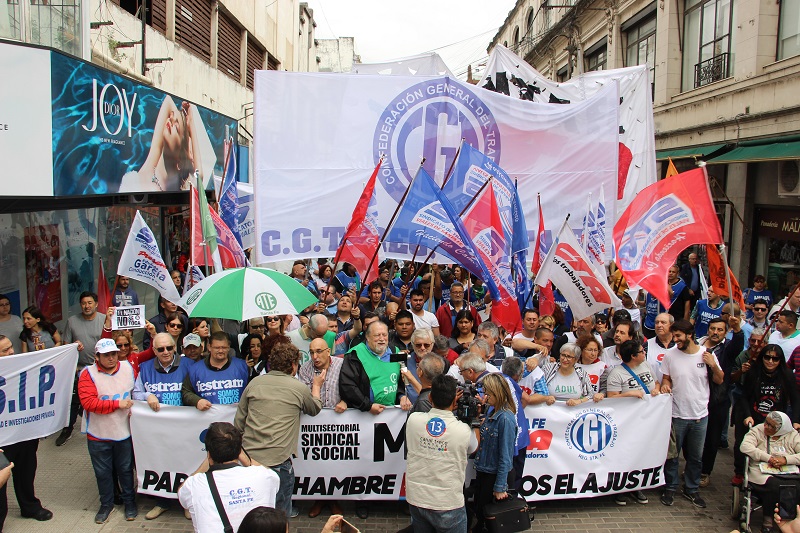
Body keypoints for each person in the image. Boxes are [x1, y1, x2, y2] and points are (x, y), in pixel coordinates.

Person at [235, 343, 324, 519]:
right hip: (279, 463)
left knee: (251, 514)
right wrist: (316, 386)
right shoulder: (298, 387)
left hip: (249, 460)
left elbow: (238, 424)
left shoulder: (254, 383)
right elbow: (314, 408)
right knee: (279, 516)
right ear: (293, 365)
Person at [659, 319, 723, 508]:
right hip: (677, 414)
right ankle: (670, 487)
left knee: (695, 457)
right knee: (672, 456)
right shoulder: (670, 355)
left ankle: (692, 488)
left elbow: (720, 380)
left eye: (678, 336)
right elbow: (666, 378)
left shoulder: (707, 354)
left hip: (700, 416)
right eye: (674, 336)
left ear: (690, 335)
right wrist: (665, 386)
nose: (675, 340)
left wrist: (713, 365)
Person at [177, 422, 280, 533]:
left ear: (209, 454)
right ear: (239, 451)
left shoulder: (194, 485)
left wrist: (209, 458)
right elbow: (272, 475)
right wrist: (245, 459)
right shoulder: (264, 476)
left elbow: (182, 492)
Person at [132, 332, 192, 520]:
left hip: (184, 427)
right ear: (154, 350)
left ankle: (186, 502)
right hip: (157, 429)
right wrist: (147, 395)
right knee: (161, 463)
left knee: (186, 463)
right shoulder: (145, 368)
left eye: (169, 348)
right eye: (160, 349)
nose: (165, 352)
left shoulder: (189, 365)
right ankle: (162, 502)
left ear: (175, 347)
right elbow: (136, 393)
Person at [406, 374, 476, 533]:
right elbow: (473, 446)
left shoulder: (414, 420)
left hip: (417, 498)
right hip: (447, 502)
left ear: (430, 397)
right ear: (455, 400)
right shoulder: (462, 430)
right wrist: (474, 419)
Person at [78, 338, 137, 524]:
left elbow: (137, 392)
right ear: (97, 357)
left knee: (125, 470)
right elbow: (89, 403)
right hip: (98, 434)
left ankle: (130, 503)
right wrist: (117, 404)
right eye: (106, 355)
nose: (111, 358)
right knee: (102, 473)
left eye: (113, 354)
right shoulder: (87, 374)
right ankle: (106, 504)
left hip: (123, 432)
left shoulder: (128, 368)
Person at [0, 335, 53, 530]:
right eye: (5, 350)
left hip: (23, 433)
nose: (11, 352)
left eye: (11, 347)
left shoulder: (22, 365)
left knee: (26, 471)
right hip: (2, 439)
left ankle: (29, 506)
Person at [734, 344, 800, 485]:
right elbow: (744, 396)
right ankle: (740, 472)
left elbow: (795, 398)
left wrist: (796, 420)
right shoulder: (754, 372)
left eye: (775, 359)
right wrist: (747, 415)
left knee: (775, 445)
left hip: (775, 419)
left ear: (780, 360)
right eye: (767, 357)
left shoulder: (787, 375)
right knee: (743, 443)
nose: (770, 361)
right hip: (753, 415)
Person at [606, 339, 660, 506]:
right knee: (625, 454)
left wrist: (657, 390)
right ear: (633, 356)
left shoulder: (646, 365)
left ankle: (637, 486)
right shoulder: (616, 374)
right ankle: (620, 489)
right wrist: (628, 395)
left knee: (641, 453)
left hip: (648, 419)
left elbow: (656, 383)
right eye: (642, 351)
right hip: (627, 423)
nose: (645, 353)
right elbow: (611, 398)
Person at [297, 337, 346, 518]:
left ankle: (333, 500)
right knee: (317, 464)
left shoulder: (341, 365)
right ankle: (319, 499)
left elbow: (351, 386)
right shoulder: (305, 369)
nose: (315, 357)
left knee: (335, 463)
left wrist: (346, 400)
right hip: (314, 424)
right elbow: (305, 397)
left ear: (328, 351)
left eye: (318, 352)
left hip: (338, 423)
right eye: (311, 352)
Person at [118, 96, 199, 192]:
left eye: (176, 127)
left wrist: (191, 125)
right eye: (171, 116)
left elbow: (199, 177)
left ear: (180, 159)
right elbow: (168, 100)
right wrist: (185, 118)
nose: (171, 119)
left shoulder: (179, 189)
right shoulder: (151, 162)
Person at [59, 291, 106, 447]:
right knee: (73, 401)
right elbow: (65, 345)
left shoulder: (104, 320)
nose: (87, 306)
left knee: (99, 398)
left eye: (90, 303)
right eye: (84, 303)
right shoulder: (72, 321)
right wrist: (74, 346)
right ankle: (67, 429)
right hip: (79, 369)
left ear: (96, 304)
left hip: (99, 368)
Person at [740, 411, 800, 533]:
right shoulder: (758, 430)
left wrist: (786, 460)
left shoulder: (792, 435)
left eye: (771, 426)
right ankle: (768, 519)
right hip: (761, 471)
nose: (766, 426)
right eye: (766, 422)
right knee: (775, 485)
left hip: (787, 471)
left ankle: (788, 518)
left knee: (795, 485)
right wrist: (768, 458)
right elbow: (745, 446)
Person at [473, 373, 518, 533]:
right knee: (480, 517)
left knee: (490, 522)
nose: (485, 396)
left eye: (488, 393)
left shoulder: (505, 418)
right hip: (485, 473)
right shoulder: (493, 413)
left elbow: (506, 456)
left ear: (497, 392)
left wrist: (500, 487)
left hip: (494, 476)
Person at [182, 332, 249, 409]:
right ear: (209, 347)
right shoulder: (195, 369)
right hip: (207, 415)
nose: (220, 351)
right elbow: (185, 392)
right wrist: (197, 401)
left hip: (237, 415)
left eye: (224, 347)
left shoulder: (242, 366)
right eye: (217, 348)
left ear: (229, 347)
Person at [646, 313, 675, 383]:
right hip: (654, 388)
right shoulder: (646, 346)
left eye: (663, 322)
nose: (659, 325)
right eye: (657, 322)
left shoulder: (680, 344)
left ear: (672, 325)